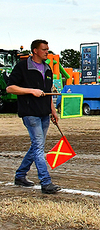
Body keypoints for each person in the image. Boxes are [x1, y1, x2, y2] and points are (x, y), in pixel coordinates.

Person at [6, 39, 62, 194]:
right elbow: (10, 88)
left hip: (44, 113)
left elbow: (49, 92)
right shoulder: (23, 67)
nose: (47, 52)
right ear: (35, 51)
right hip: (30, 113)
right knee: (38, 147)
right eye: (44, 49)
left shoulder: (48, 68)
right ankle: (46, 182)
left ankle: (20, 175)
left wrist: (53, 111)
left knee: (36, 146)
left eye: (48, 49)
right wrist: (31, 91)